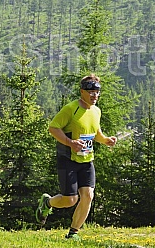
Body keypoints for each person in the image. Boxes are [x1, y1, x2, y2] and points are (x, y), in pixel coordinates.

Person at [36, 74, 117, 240]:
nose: (94, 96)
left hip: (87, 160)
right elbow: (53, 128)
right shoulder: (70, 109)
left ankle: (73, 233)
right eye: (91, 92)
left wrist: (106, 140)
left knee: (88, 196)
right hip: (68, 160)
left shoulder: (96, 111)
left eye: (97, 92)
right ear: (82, 92)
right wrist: (70, 142)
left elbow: (96, 133)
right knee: (70, 200)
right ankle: (47, 203)